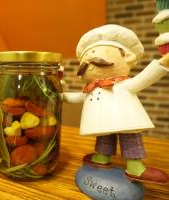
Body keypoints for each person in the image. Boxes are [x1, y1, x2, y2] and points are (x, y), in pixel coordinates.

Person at [63, 24, 169, 185]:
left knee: (130, 138)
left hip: (125, 119)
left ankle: (135, 166)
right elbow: (78, 97)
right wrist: (61, 96)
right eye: (86, 55)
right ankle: (101, 157)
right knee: (104, 137)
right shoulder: (90, 89)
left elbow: (147, 76)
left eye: (94, 53)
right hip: (102, 122)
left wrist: (163, 62)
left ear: (127, 58)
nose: (88, 61)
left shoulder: (124, 85)